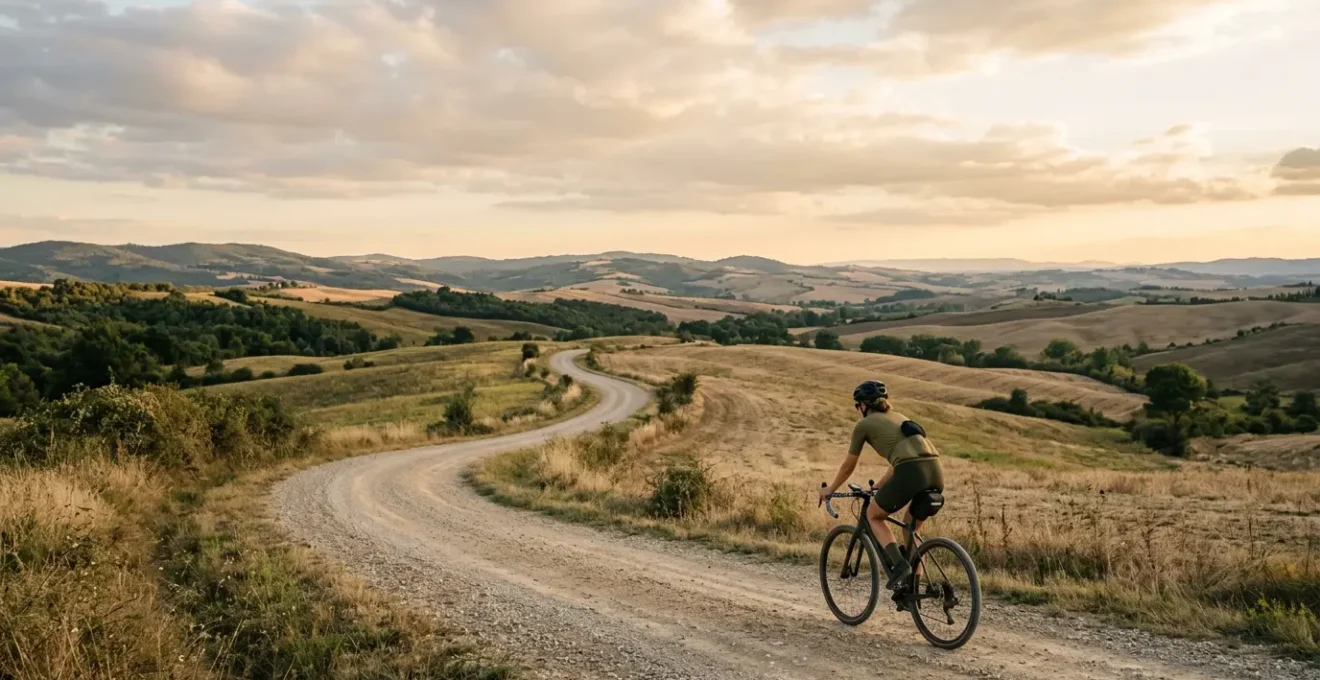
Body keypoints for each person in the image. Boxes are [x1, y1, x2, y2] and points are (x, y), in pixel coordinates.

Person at [818, 380, 944, 591]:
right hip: (936, 472)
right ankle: (915, 584)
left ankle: (900, 568)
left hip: (911, 472)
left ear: (863, 405)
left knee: (874, 515)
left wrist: (830, 489)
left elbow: (849, 466)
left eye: (857, 406)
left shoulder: (864, 425)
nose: (858, 410)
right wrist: (877, 486)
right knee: (911, 528)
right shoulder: (900, 418)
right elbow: (900, 461)